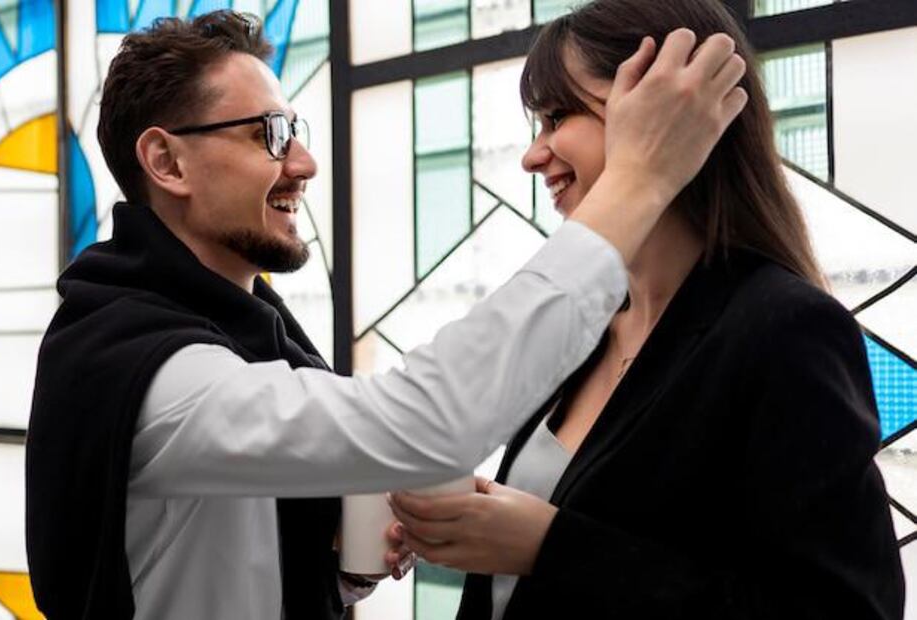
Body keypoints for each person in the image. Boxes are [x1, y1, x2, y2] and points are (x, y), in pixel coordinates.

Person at [24, 8, 749, 620]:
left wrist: (339, 563)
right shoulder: (143, 364)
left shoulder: (245, 328)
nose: (304, 163)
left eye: (297, 132)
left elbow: (217, 554)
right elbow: (426, 425)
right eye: (268, 134)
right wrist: (637, 182)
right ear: (167, 163)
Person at [387, 1, 906, 618]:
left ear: (672, 109)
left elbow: (845, 609)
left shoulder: (785, 329)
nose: (533, 156)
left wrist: (551, 546)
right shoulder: (585, 327)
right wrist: (477, 524)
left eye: (558, 117)